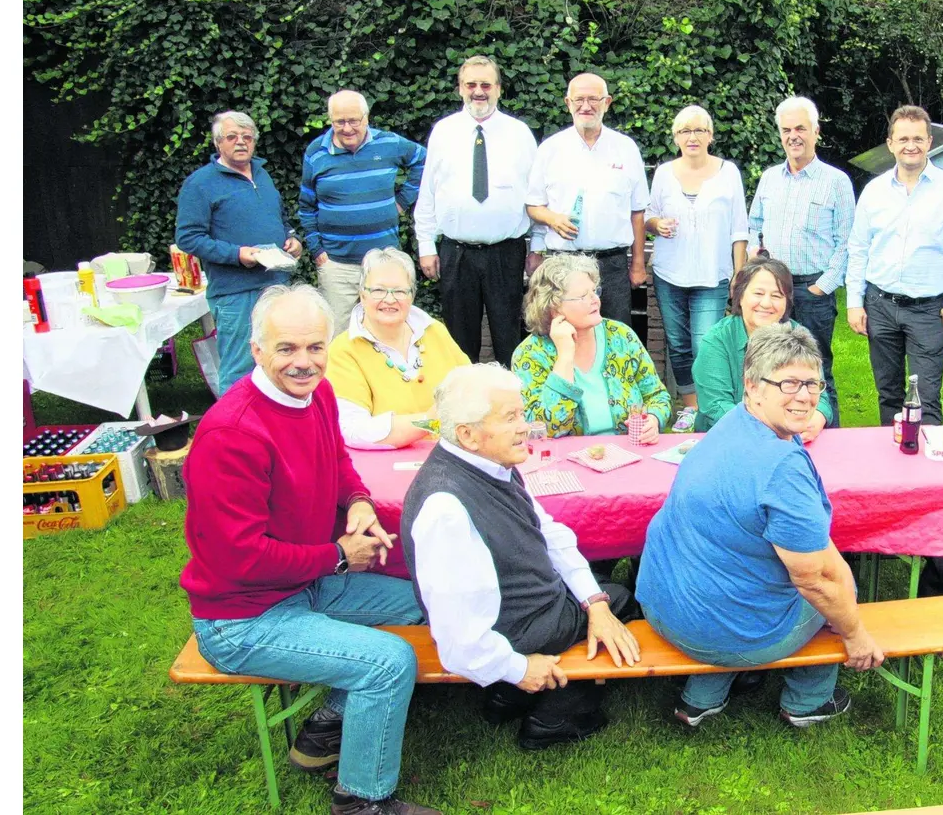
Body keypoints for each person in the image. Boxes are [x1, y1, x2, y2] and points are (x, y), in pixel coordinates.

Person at [180, 284, 439, 815]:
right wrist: (339, 556)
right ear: (256, 351)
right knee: (389, 662)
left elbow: (338, 458)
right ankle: (361, 801)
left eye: (315, 347)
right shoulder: (232, 434)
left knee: (425, 600)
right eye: (286, 349)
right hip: (242, 618)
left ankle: (328, 723)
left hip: (303, 585)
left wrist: (359, 500)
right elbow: (240, 558)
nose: (304, 362)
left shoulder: (317, 394)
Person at [638, 323, 885, 728]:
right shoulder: (782, 469)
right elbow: (816, 581)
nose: (804, 397)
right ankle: (809, 702)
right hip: (717, 630)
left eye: (813, 384)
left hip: (663, 605)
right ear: (753, 386)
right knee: (838, 590)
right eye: (788, 383)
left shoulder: (731, 424)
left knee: (743, 570)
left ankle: (703, 695)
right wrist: (855, 633)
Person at [402, 364, 643, 750]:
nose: (525, 426)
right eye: (511, 417)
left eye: (522, 413)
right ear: (468, 434)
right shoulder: (445, 507)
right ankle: (555, 717)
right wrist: (520, 668)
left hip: (523, 612)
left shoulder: (487, 463)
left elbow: (547, 532)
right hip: (517, 628)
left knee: (604, 598)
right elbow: (456, 637)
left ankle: (506, 698)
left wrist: (594, 601)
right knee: (626, 602)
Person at [845, 105, 943, 426]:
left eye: (918, 138)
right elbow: (859, 248)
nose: (910, 145)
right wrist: (853, 302)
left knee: (927, 396)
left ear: (929, 142)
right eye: (902, 138)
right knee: (888, 392)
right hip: (880, 306)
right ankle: (892, 467)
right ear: (890, 143)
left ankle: (928, 471)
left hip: (928, 312)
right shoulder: (874, 192)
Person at [412, 55, 538, 365]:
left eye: (485, 84)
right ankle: (463, 407)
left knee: (509, 337)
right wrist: (426, 245)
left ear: (498, 89)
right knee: (458, 339)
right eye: (471, 84)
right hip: (456, 253)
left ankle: (511, 405)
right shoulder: (443, 131)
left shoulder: (519, 133)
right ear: (460, 89)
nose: (478, 91)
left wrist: (539, 246)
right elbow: (428, 190)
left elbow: (538, 194)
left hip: (506, 253)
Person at [747, 96, 857, 426]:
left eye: (800, 128)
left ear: (815, 131)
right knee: (771, 366)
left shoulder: (836, 181)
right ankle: (776, 430)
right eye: (786, 130)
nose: (793, 136)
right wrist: (756, 254)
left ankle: (828, 435)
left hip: (813, 290)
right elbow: (754, 226)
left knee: (816, 369)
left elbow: (847, 242)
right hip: (773, 291)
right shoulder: (769, 178)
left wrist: (822, 287)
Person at [174, 110, 301, 395]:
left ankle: (271, 427)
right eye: (232, 137)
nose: (240, 142)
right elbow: (188, 238)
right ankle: (233, 435)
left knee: (276, 360)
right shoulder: (200, 184)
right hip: (235, 292)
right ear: (218, 143)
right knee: (239, 368)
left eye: (247, 137)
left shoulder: (262, 174)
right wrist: (237, 254)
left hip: (275, 284)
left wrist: (292, 239)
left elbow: (280, 217)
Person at [646, 104, 749, 422]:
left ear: (711, 135)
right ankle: (690, 408)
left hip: (711, 275)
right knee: (677, 344)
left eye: (699, 130)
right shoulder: (664, 173)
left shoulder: (728, 172)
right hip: (670, 273)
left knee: (704, 344)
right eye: (685, 131)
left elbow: (739, 227)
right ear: (676, 137)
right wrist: (656, 224)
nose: (692, 136)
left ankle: (710, 405)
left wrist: (738, 272)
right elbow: (649, 215)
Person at [526, 72, 651, 328]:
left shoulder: (626, 148)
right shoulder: (550, 149)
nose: (586, 106)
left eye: (593, 99)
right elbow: (533, 205)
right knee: (564, 332)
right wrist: (552, 219)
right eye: (579, 99)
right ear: (567, 103)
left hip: (612, 264)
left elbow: (637, 212)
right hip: (563, 263)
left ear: (607, 102)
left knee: (615, 335)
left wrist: (638, 263)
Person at [298, 90, 428, 332]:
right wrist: (317, 250)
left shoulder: (389, 143)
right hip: (337, 265)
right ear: (330, 120)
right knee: (336, 336)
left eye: (353, 121)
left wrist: (402, 201)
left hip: (384, 263)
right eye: (339, 122)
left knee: (389, 330)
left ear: (366, 118)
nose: (347, 128)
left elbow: (424, 160)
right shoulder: (316, 152)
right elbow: (306, 207)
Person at [510, 253, 671, 440]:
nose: (595, 300)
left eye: (595, 291)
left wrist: (653, 419)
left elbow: (658, 395)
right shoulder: (530, 354)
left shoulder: (620, 336)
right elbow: (546, 429)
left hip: (627, 453)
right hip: (562, 462)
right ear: (553, 308)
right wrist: (565, 357)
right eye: (582, 297)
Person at [324, 247, 470, 449]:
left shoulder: (434, 330)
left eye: (400, 291)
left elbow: (473, 387)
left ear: (412, 295)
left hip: (451, 456)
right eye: (378, 290)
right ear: (362, 294)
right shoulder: (343, 350)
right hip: (384, 465)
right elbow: (354, 431)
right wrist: (429, 421)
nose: (390, 299)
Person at [692, 256, 834, 438]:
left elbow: (818, 393)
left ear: (787, 301)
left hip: (790, 441)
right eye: (758, 294)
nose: (766, 303)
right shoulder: (717, 340)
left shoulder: (799, 336)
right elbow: (716, 406)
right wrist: (774, 427)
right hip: (727, 439)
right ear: (740, 296)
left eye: (776, 296)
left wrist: (818, 417)